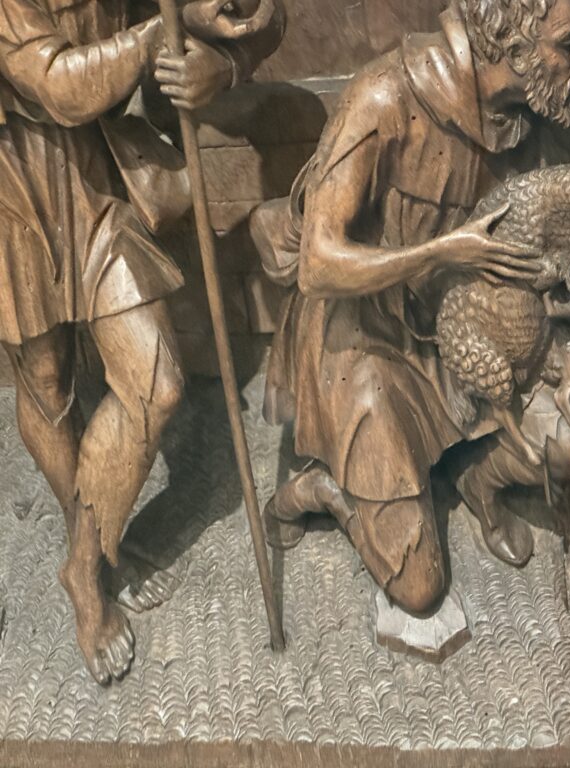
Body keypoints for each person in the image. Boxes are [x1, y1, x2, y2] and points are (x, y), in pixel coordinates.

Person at [255, 0, 570, 617]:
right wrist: (442, 252)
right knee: (419, 590)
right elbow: (318, 263)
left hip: (473, 335)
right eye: (568, 41)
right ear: (513, 45)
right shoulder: (385, 97)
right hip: (367, 340)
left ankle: (477, 475)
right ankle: (326, 490)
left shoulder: (534, 117)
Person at [0, 0, 284, 684]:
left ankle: (82, 563)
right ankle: (98, 553)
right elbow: (59, 85)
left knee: (155, 384)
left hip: (99, 176)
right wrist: (160, 31)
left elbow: (257, 14)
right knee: (45, 377)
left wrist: (220, 62)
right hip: (11, 187)